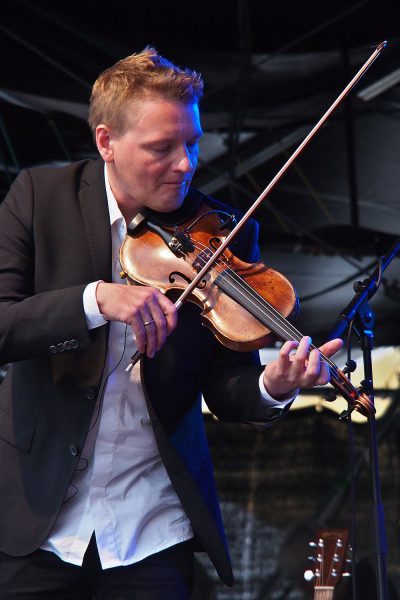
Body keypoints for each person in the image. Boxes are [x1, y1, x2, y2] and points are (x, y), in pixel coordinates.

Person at [0, 47, 342, 599]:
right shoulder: (39, 199)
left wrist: (272, 386)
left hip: (151, 528)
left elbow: (227, 389)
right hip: (36, 521)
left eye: (192, 143)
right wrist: (94, 300)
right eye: (162, 148)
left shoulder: (223, 232)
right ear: (107, 142)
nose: (185, 164)